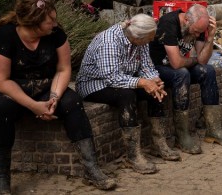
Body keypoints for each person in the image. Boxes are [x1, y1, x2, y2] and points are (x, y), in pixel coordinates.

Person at [0, 0, 115, 194]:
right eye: (50, 21)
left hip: (43, 86)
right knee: (4, 108)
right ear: (34, 23)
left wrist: (54, 99)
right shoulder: (3, 37)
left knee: (72, 101)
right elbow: (0, 81)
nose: (55, 24)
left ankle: (91, 167)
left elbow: (63, 69)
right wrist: (34, 106)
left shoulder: (56, 34)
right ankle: (1, 180)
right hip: (3, 89)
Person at [76, 14, 180, 174]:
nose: (151, 41)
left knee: (156, 91)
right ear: (138, 37)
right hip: (95, 84)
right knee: (127, 95)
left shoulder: (141, 40)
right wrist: (143, 82)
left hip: (124, 80)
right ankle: (133, 155)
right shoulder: (109, 41)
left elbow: (146, 65)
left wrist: (154, 79)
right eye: (149, 38)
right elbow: (112, 78)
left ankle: (158, 143)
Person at [149, 4, 222, 154]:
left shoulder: (200, 27)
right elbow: (176, 63)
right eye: (195, 31)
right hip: (156, 68)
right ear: (187, 20)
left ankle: (213, 130)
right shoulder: (169, 23)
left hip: (179, 66)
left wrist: (210, 37)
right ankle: (182, 136)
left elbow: (202, 60)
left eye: (200, 33)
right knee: (182, 73)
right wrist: (194, 61)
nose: (197, 35)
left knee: (207, 71)